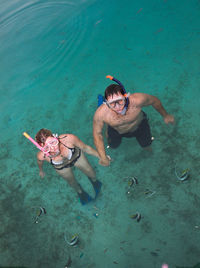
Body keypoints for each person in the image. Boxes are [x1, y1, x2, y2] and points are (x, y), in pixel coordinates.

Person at [93, 78, 175, 166]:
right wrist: (103, 157)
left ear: (126, 97)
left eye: (120, 101)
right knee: (113, 145)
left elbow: (154, 100)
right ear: (107, 104)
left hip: (139, 126)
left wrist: (165, 115)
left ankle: (146, 148)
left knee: (146, 144)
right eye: (113, 103)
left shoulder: (137, 100)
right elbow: (97, 134)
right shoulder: (101, 113)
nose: (118, 107)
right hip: (116, 131)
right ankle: (101, 102)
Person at [35, 128, 102, 205]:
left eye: (53, 142)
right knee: (72, 182)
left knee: (91, 173)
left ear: (55, 137)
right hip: (61, 166)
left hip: (76, 156)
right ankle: (80, 192)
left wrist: (101, 156)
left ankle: (94, 182)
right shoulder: (42, 155)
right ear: (42, 148)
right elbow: (39, 162)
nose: (53, 148)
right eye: (47, 147)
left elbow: (85, 148)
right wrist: (41, 170)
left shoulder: (69, 139)